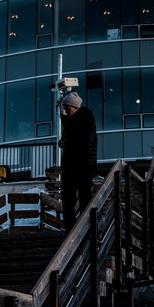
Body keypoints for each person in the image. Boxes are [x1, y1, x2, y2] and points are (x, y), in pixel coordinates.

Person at [60, 91, 98, 230]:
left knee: (84, 200)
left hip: (83, 167)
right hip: (71, 167)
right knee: (68, 201)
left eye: (67, 108)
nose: (66, 111)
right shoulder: (71, 122)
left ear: (75, 107)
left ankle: (85, 231)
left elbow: (85, 139)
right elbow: (68, 139)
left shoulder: (87, 120)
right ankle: (71, 231)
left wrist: (68, 140)